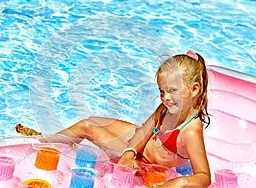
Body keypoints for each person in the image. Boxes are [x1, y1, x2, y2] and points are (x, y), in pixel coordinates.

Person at [16, 50, 211, 187]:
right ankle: (55, 140)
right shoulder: (165, 106)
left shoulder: (191, 130)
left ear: (194, 89)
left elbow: (204, 176)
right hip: (138, 146)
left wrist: (179, 182)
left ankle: (41, 142)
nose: (165, 98)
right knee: (93, 119)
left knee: (87, 127)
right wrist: (129, 152)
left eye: (172, 91)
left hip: (144, 161)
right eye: (162, 91)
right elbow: (145, 130)